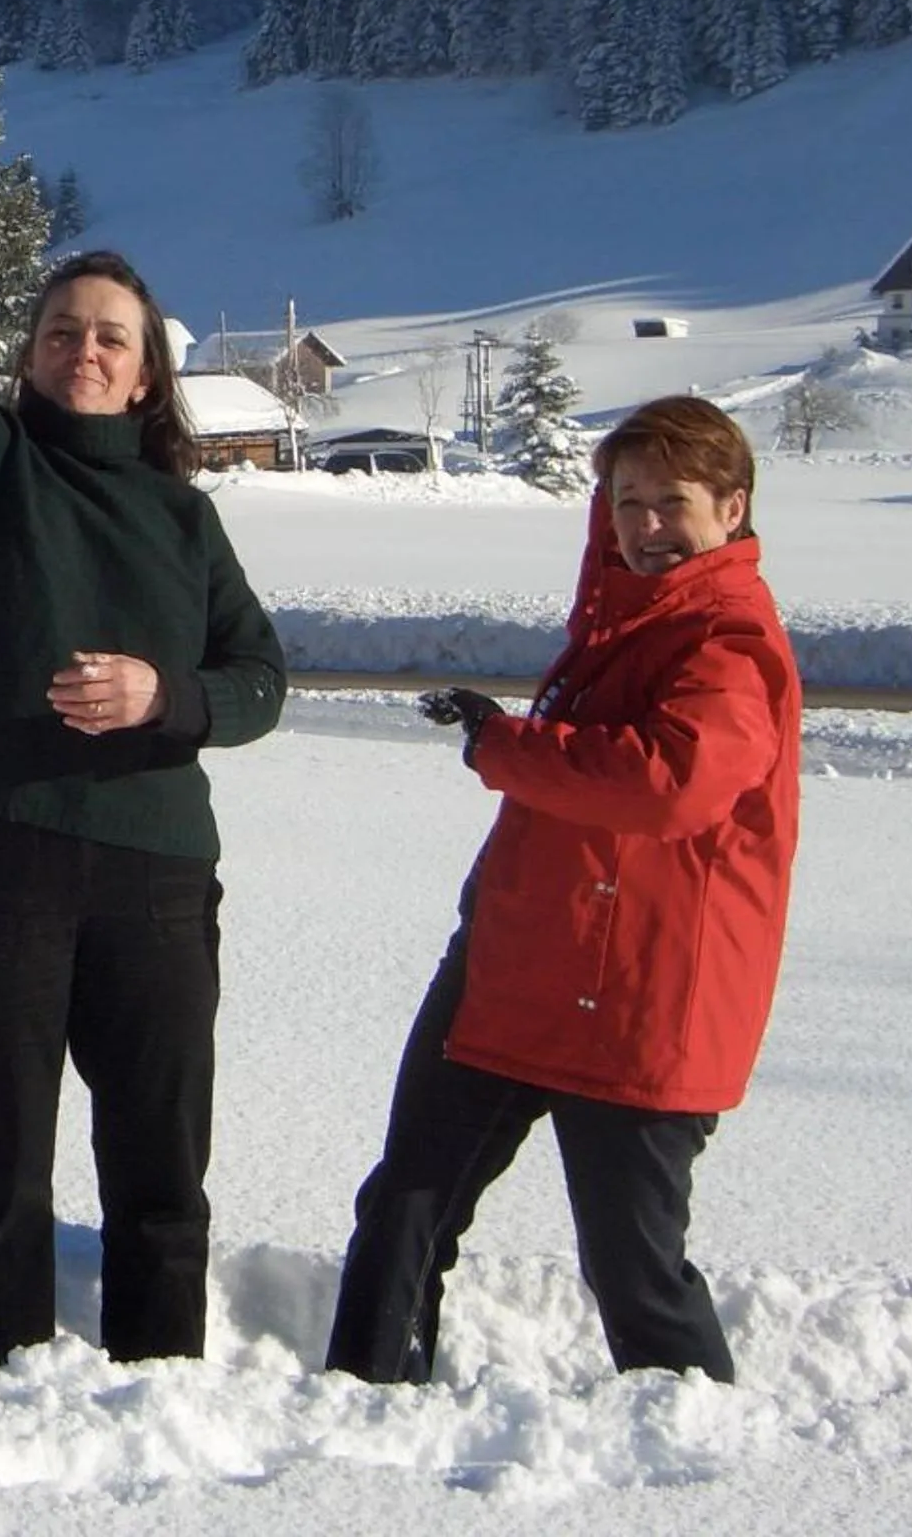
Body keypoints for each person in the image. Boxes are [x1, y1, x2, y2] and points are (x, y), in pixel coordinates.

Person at [0, 4, 288, 1365]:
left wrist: (172, 697)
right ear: (30, 352)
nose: (83, 347)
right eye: (59, 328)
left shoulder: (182, 520)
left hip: (156, 870)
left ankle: (162, 1390)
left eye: (112, 334)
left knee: (161, 1171)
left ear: (151, 369)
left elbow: (263, 677)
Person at [324, 395, 802, 1386]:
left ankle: (692, 1447)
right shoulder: (619, 622)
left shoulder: (725, 640)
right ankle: (362, 1400)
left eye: (670, 502)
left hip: (639, 995)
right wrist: (510, 739)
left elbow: (669, 782)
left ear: (731, 506)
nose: (645, 526)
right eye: (626, 503)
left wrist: (502, 744)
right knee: (408, 1204)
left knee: (631, 1268)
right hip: (519, 966)